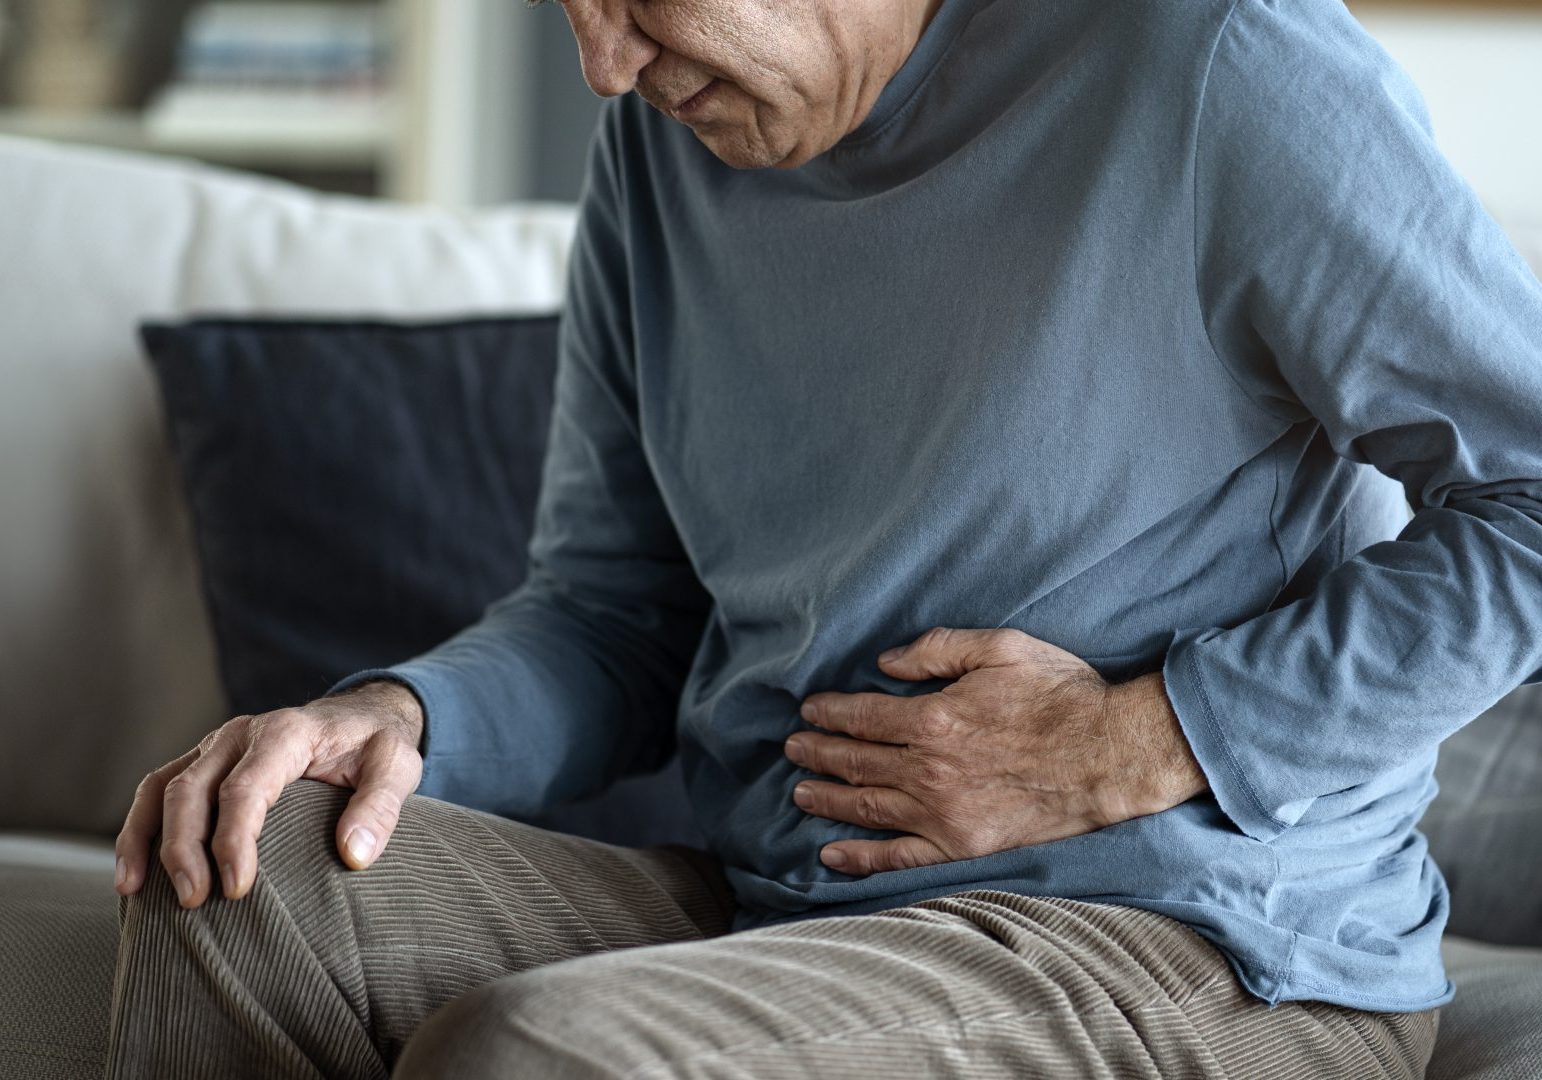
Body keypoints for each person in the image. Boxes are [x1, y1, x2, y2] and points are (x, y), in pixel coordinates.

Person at [106, 0, 1542, 1075]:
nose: (602, 63)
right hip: (777, 913)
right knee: (232, 866)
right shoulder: (660, 154)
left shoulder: (1211, 62)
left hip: (1193, 949)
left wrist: (1140, 737)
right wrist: (394, 716)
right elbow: (615, 612)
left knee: (548, 1060)